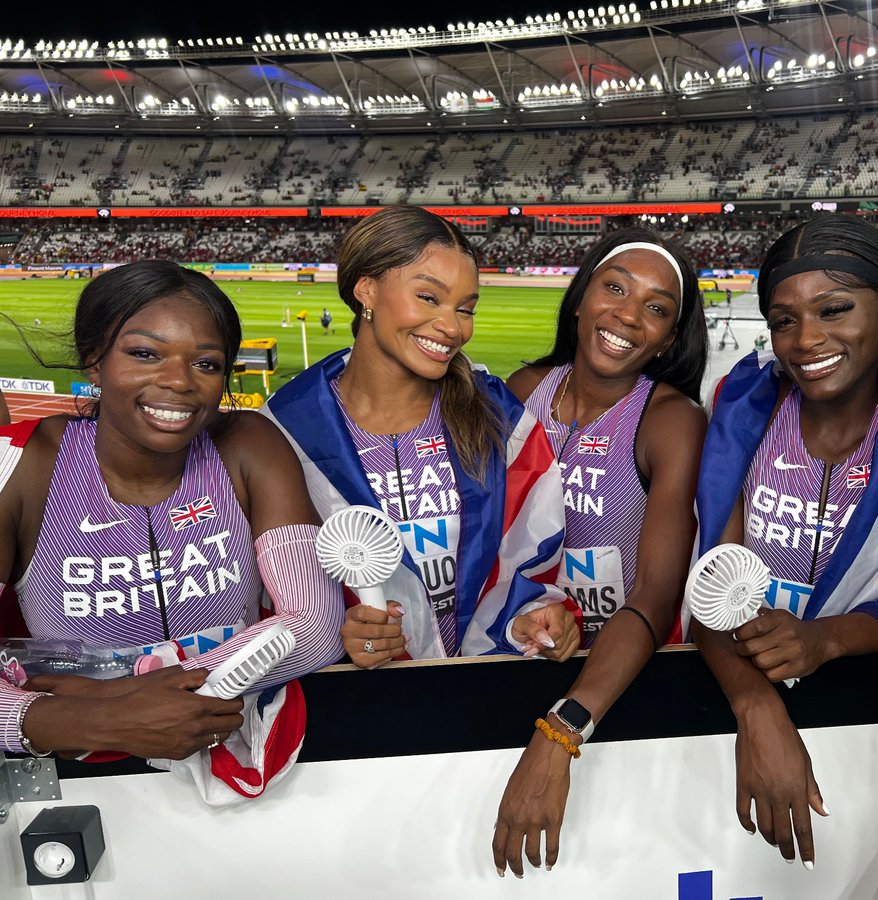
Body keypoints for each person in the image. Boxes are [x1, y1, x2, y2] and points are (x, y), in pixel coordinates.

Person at [692, 216, 878, 866]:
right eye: (784, 319)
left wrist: (824, 640)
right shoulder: (746, 410)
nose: (807, 340)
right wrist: (756, 708)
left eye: (834, 310)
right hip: (735, 688)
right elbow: (708, 581)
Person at [0, 261, 344, 761]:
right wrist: (93, 720)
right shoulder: (23, 467)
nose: (179, 381)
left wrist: (141, 693)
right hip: (85, 772)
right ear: (94, 361)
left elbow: (316, 623)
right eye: (145, 353)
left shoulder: (247, 444)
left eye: (206, 363)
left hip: (247, 746)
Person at [264, 205, 577, 664]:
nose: (453, 328)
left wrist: (525, 619)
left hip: (481, 704)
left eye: (465, 309)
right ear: (366, 289)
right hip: (354, 713)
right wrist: (339, 640)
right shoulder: (285, 429)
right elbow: (277, 598)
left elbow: (528, 559)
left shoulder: (499, 417)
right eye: (429, 298)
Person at [493, 227, 708, 876]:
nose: (627, 315)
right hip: (511, 663)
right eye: (614, 288)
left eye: (656, 307)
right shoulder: (519, 390)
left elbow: (655, 596)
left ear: (669, 338)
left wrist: (563, 730)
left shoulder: (671, 421)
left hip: (615, 686)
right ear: (582, 299)